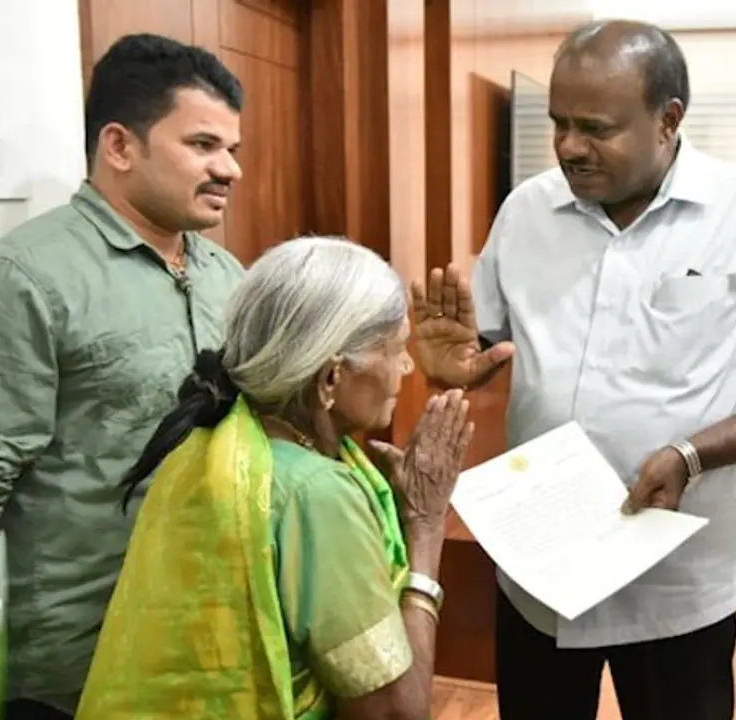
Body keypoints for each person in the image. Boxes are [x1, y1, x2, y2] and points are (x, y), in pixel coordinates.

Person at [413, 19, 736, 720]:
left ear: (668, 120)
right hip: (540, 568)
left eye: (594, 128)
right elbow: (486, 344)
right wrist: (455, 368)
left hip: (675, 584)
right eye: (559, 123)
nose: (567, 146)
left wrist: (690, 454)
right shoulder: (528, 210)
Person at [0, 33, 245, 720]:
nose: (230, 169)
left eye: (233, 150)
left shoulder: (228, 277)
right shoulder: (22, 282)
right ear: (120, 146)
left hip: (205, 646)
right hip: (70, 676)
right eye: (204, 146)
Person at [75, 237, 473, 719]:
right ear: (330, 378)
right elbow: (395, 712)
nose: (406, 368)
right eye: (395, 350)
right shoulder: (316, 494)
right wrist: (426, 527)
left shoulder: (211, 437)